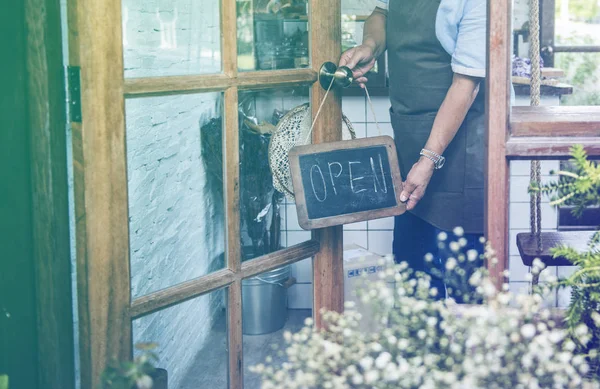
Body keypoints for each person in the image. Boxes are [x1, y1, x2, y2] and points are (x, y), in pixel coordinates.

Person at [339, 0, 487, 299]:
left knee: (463, 274)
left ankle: (464, 341)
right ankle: (418, 340)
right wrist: (371, 45)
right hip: (411, 136)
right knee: (413, 263)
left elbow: (466, 84)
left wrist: (429, 159)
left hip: (463, 142)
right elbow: (381, 13)